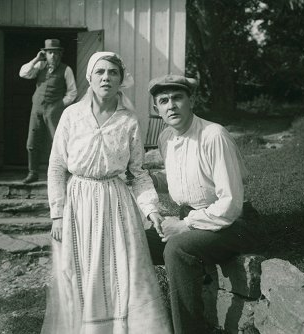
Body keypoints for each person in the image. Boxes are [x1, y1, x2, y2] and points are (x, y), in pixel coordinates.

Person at [42, 52, 172, 334]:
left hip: (115, 204)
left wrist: (152, 210)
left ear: (121, 79)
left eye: (113, 72)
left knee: (121, 272)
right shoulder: (71, 116)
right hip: (78, 202)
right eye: (100, 72)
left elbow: (137, 173)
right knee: (81, 272)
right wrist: (57, 214)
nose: (106, 77)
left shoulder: (128, 121)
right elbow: (56, 167)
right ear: (89, 77)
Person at [146, 74, 257, 334]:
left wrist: (185, 224)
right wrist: (150, 180)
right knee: (134, 242)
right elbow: (184, 179)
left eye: (177, 98)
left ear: (191, 100)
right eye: (163, 101)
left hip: (235, 223)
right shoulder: (166, 139)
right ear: (156, 109)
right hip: (199, 220)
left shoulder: (213, 135)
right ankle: (151, 324)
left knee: (177, 249)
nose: (171, 105)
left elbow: (230, 203)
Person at [19, 39, 77, 183]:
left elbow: (72, 92)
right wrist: (36, 59)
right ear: (45, 54)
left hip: (54, 110)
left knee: (58, 143)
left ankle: (60, 174)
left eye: (56, 53)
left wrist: (59, 106)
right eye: (50, 53)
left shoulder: (66, 69)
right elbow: (23, 73)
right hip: (37, 110)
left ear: (60, 54)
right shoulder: (39, 66)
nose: (53, 56)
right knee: (32, 142)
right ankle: (33, 173)